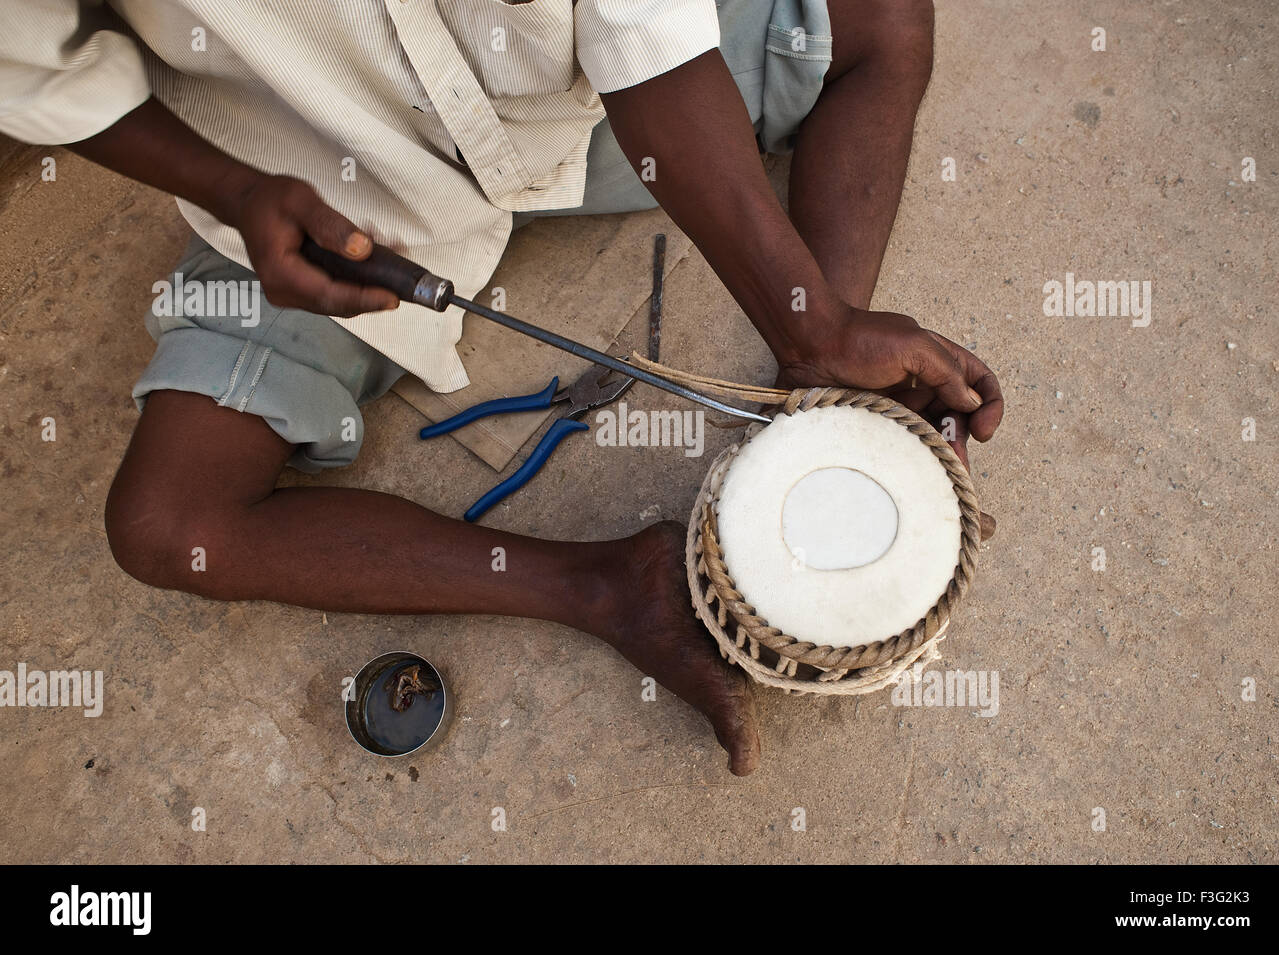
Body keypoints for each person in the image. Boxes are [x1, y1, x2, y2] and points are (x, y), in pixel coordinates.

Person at [1, 0, 1002, 776]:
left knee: (880, 16)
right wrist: (234, 192)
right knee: (170, 522)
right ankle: (611, 587)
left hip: (593, 113)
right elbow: (35, 66)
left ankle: (810, 394)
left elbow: (641, 34)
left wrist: (808, 323)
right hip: (328, 199)